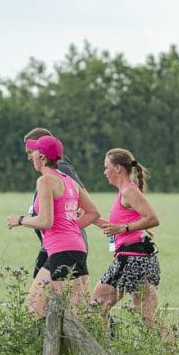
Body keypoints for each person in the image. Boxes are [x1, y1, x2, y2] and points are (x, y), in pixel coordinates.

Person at [8, 134, 100, 316]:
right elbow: (93, 213)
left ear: (41, 157)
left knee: (49, 311)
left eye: (33, 153)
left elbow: (45, 221)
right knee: (62, 309)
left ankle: (99, 341)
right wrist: (71, 228)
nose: (30, 157)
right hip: (74, 249)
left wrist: (19, 220)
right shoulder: (69, 180)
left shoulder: (45, 181)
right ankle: (101, 337)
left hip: (62, 251)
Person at [91, 149, 162, 329]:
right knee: (148, 319)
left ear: (118, 169)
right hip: (137, 258)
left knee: (96, 306)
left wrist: (124, 228)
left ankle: (106, 348)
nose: (104, 172)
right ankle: (172, 354)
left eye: (106, 167)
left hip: (131, 259)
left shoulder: (129, 191)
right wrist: (90, 217)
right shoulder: (125, 192)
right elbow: (116, 230)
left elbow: (153, 219)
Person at [21, 127, 90, 278]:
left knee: (40, 299)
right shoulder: (52, 175)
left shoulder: (59, 170)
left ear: (42, 152)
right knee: (70, 299)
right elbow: (92, 210)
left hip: (61, 245)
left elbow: (84, 202)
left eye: (30, 152)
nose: (29, 157)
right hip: (61, 244)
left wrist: (20, 220)